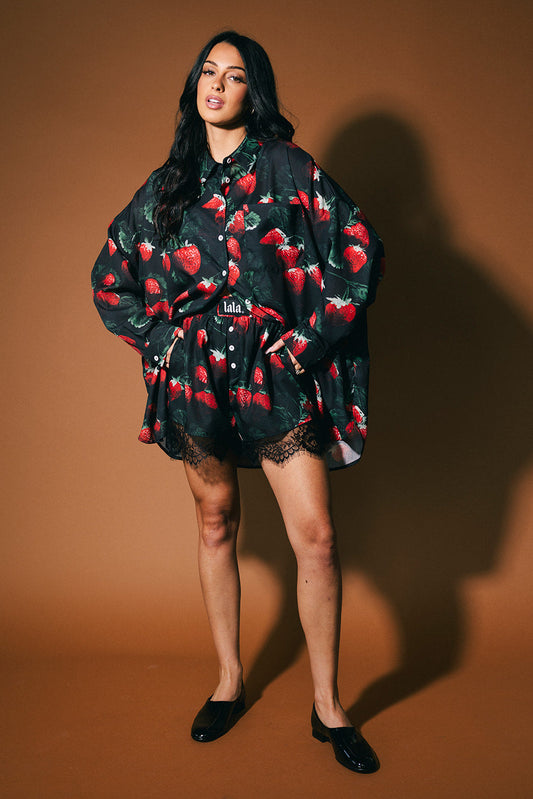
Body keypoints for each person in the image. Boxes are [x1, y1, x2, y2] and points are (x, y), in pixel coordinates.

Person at [91, 30, 384, 774]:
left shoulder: (287, 167)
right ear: (195, 85)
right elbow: (110, 277)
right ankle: (228, 680)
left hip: (272, 371)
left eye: (235, 75)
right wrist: (160, 342)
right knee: (216, 520)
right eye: (207, 72)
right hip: (196, 376)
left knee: (315, 536)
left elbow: (358, 246)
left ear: (256, 93)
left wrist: (306, 342)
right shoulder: (167, 185)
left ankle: (328, 705)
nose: (217, 84)